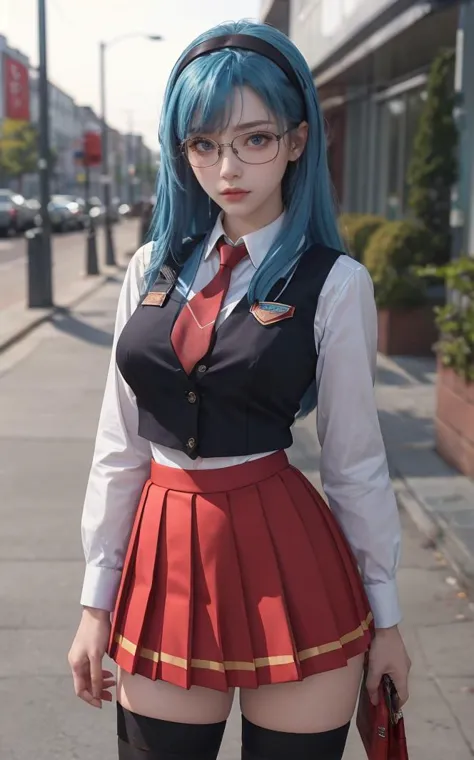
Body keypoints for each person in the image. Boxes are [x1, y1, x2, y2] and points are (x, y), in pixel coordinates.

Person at [68, 19, 411, 760]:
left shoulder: (336, 282)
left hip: (288, 558)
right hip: (162, 559)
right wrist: (95, 603)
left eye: (254, 139)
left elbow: (355, 460)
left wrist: (387, 621)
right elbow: (118, 446)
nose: (228, 166)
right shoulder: (150, 270)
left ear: (295, 141)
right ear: (181, 150)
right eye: (204, 143)